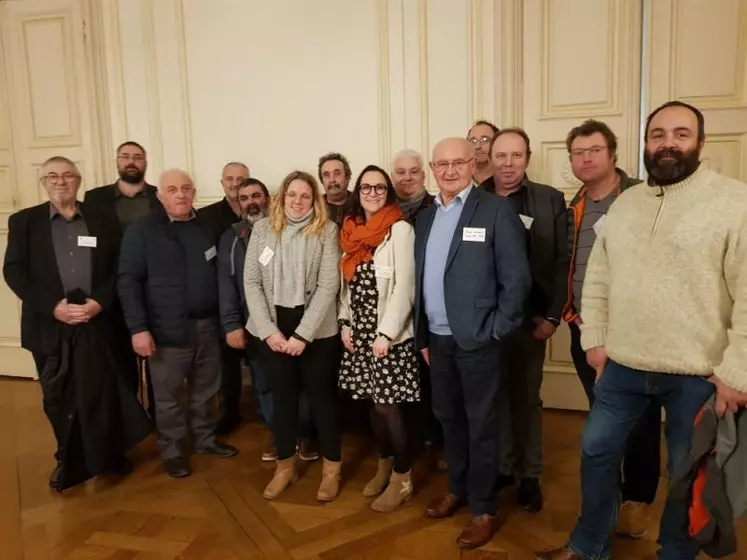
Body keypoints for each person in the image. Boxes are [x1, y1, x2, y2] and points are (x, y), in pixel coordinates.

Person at [534, 102, 747, 560]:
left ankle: (674, 552)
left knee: (686, 473)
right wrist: (594, 340)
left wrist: (737, 371)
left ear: (700, 143)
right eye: (657, 134)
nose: (668, 143)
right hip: (623, 365)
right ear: (645, 144)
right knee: (595, 452)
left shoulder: (735, 202)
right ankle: (588, 546)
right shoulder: (627, 203)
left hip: (699, 372)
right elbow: (599, 278)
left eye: (681, 134)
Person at [3, 156, 150, 491]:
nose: (60, 181)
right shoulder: (25, 221)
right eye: (52, 176)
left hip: (98, 322)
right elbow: (14, 272)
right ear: (43, 182)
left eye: (67, 175)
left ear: (78, 180)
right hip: (50, 326)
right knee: (59, 396)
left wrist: (100, 301)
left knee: (108, 391)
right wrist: (52, 307)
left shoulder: (101, 218)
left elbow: (118, 267)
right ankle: (67, 457)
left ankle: (112, 454)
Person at [415, 138, 531, 549]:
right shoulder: (427, 218)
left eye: (457, 162)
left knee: (482, 425)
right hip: (438, 341)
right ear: (433, 168)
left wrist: (497, 329)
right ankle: (458, 488)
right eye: (441, 164)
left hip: (479, 339)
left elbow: (516, 280)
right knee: (448, 418)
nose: (449, 171)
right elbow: (424, 280)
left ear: (472, 164)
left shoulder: (496, 210)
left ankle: (484, 507)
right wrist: (423, 335)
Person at [563, 118, 662, 538]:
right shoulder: (573, 206)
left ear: (613, 154)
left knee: (639, 422)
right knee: (601, 421)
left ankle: (637, 500)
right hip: (584, 330)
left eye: (594, 150)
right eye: (578, 152)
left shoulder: (644, 198)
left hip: (631, 333)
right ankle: (605, 501)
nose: (586, 158)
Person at [118, 168, 238, 479]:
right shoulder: (142, 231)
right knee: (169, 397)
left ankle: (204, 439)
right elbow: (127, 282)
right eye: (172, 189)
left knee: (206, 389)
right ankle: (172, 450)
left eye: (186, 188)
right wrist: (138, 329)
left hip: (208, 326)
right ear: (160, 195)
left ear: (194, 193)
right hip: (165, 331)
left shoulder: (206, 227)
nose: (181, 194)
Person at [482, 128, 569, 512]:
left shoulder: (549, 200)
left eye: (516, 156)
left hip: (533, 321)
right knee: (494, 398)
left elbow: (562, 261)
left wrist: (553, 314)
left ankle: (530, 474)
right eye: (501, 156)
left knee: (527, 400)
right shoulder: (475, 198)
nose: (508, 164)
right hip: (486, 322)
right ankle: (502, 467)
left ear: (528, 159)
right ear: (490, 158)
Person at [244, 170, 342, 502]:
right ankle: (284, 467)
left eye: (305, 196)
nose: (298, 202)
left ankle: (331, 470)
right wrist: (270, 332)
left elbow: (330, 285)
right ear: (281, 198)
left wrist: (303, 335)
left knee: (323, 401)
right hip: (273, 328)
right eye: (292, 195)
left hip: (316, 331)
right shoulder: (261, 230)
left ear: (315, 200)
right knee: (283, 401)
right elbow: (252, 283)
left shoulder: (328, 231)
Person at [338, 165, 419, 512]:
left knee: (389, 406)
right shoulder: (351, 231)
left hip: (389, 334)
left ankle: (403, 476)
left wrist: (386, 332)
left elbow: (405, 286)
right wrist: (344, 323)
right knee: (372, 403)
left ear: (388, 191)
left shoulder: (399, 229)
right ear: (358, 191)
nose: (373, 192)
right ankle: (384, 464)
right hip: (359, 331)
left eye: (380, 187)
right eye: (366, 187)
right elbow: (348, 286)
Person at [217, 177, 315, 461]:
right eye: (244, 197)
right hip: (257, 326)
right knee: (265, 382)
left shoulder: (286, 229)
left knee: (302, 382)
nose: (251, 202)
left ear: (269, 198)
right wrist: (231, 323)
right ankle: (278, 433)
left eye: (256, 195)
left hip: (294, 321)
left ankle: (306, 434)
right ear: (238, 203)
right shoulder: (231, 238)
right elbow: (227, 284)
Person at [83, 141, 160, 411]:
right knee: (119, 360)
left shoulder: (159, 196)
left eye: (137, 157)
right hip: (109, 291)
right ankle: (130, 419)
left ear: (145, 162)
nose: (131, 161)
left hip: (151, 290)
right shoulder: (94, 199)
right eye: (125, 156)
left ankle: (155, 415)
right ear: (116, 162)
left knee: (155, 359)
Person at [197, 162, 252, 435]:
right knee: (226, 363)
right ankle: (229, 411)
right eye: (230, 179)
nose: (235, 183)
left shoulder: (260, 212)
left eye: (240, 179)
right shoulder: (205, 216)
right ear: (222, 183)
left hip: (253, 301)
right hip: (220, 296)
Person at [318, 152, 352, 226]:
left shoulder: (362, 204)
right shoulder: (315, 207)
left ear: (347, 177)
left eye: (337, 173)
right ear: (322, 181)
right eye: (326, 175)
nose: (332, 180)